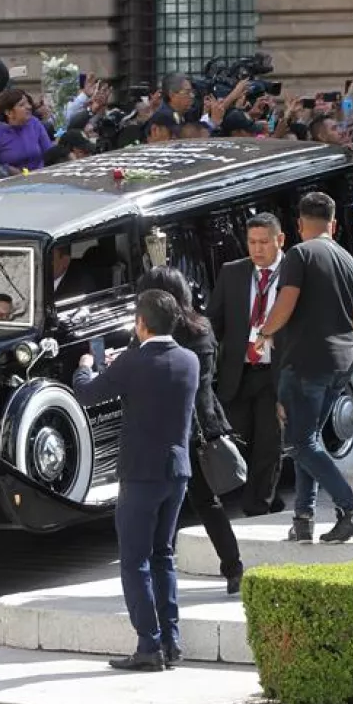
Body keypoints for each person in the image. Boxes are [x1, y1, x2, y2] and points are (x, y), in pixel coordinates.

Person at [72, 290, 198, 671]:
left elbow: (87, 392)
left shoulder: (133, 362)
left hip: (140, 474)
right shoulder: (189, 360)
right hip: (176, 471)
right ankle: (172, 641)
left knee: (134, 561)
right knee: (163, 555)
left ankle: (149, 644)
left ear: (141, 324)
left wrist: (85, 365)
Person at [255, 192, 353, 543]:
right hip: (342, 363)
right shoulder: (349, 260)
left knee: (302, 444)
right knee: (311, 440)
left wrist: (264, 332)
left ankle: (352, 510)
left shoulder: (299, 254)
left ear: (300, 224)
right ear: (332, 225)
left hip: (305, 362)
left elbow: (286, 303)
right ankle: (303, 518)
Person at [138, 267, 243, 594]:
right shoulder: (202, 328)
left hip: (170, 429)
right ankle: (233, 566)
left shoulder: (158, 336)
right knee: (205, 502)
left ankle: (156, 575)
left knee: (157, 503)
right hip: (201, 426)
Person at [208, 212, 286, 517]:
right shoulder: (233, 273)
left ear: (280, 240)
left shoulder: (295, 272)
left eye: (264, 242)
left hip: (275, 373)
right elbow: (215, 322)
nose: (257, 249)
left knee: (268, 443)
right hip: (238, 373)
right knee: (239, 440)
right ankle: (269, 497)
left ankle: (258, 508)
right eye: (252, 242)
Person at [0, 89, 54, 172]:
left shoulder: (34, 123)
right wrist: (6, 169)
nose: (29, 107)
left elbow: (50, 154)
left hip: (40, 177)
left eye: (28, 103)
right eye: (21, 105)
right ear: (9, 113)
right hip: (13, 182)